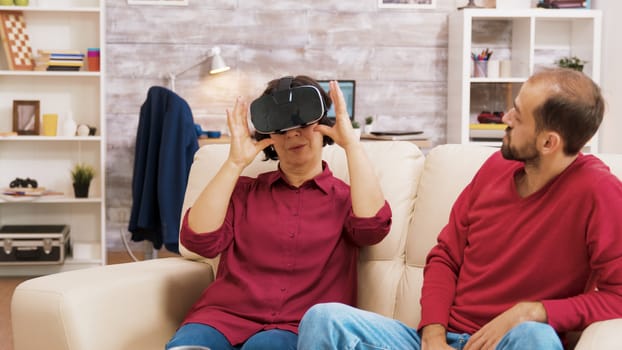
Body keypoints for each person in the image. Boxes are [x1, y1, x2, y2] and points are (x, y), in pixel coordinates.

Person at [297, 68, 622, 350]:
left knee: (536, 338)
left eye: (518, 116)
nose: (505, 118)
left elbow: (618, 295)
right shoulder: (496, 167)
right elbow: (445, 257)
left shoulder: (598, 192)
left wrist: (533, 311)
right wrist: (433, 335)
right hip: (442, 340)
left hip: (510, 342)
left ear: (548, 143)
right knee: (323, 319)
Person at [165, 75, 392, 350]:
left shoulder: (347, 199)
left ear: (322, 126)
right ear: (270, 136)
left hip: (296, 328)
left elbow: (372, 229)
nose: (293, 134)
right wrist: (235, 162)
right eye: (282, 128)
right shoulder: (244, 192)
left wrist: (352, 145)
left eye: (303, 124)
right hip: (222, 318)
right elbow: (197, 240)